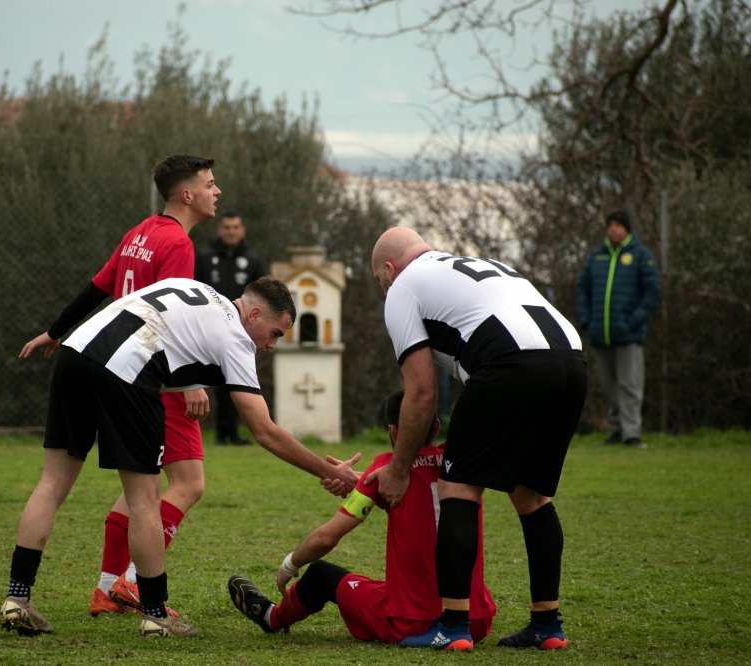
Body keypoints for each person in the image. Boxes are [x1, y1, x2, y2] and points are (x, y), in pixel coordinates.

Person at [0, 277, 360, 638]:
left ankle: (17, 599)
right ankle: (156, 615)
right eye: (276, 332)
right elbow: (264, 431)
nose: (272, 344)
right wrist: (328, 471)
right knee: (144, 500)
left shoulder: (197, 289)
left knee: (51, 484)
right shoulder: (237, 337)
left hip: (75, 353)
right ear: (253, 314)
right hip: (128, 370)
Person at [17, 154, 219, 619]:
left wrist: (56, 330)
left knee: (132, 490)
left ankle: (106, 586)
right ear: (186, 194)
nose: (217, 191)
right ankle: (131, 585)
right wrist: (189, 381)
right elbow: (175, 315)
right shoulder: (178, 245)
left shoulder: (140, 232)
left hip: (106, 362)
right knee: (185, 484)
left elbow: (96, 288)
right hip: (149, 374)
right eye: (210, 183)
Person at [366, 227, 586, 651]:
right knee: (532, 495)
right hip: (572, 360)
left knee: (458, 488)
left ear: (389, 270)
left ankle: (452, 626)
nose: (383, 291)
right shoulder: (486, 265)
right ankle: (547, 624)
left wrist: (398, 468)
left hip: (508, 362)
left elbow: (421, 391)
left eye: (379, 282)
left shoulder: (402, 288)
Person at [227, 390, 496, 648]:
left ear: (392, 432)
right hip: (476, 620)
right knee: (389, 586)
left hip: (413, 622)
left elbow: (326, 537)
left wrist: (289, 566)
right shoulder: (462, 462)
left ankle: (273, 617)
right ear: (436, 427)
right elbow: (422, 487)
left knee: (320, 574)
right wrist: (359, 481)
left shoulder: (385, 469)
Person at [575, 210, 660, 448]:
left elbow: (651, 294)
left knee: (629, 386)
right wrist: (587, 320)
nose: (613, 229)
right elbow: (582, 289)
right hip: (600, 335)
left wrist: (632, 322)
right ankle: (615, 430)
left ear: (627, 229)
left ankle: (632, 434)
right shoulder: (596, 257)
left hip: (629, 335)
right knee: (609, 386)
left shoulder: (641, 256)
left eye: (618, 225)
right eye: (609, 225)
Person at [194, 211, 266, 445]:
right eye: (227, 227)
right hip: (208, 327)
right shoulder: (204, 257)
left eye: (236, 227)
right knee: (212, 379)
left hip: (241, 329)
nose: (231, 231)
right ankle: (218, 432)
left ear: (242, 230)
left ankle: (232, 432)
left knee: (236, 378)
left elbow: (264, 293)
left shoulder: (252, 260)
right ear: (219, 230)